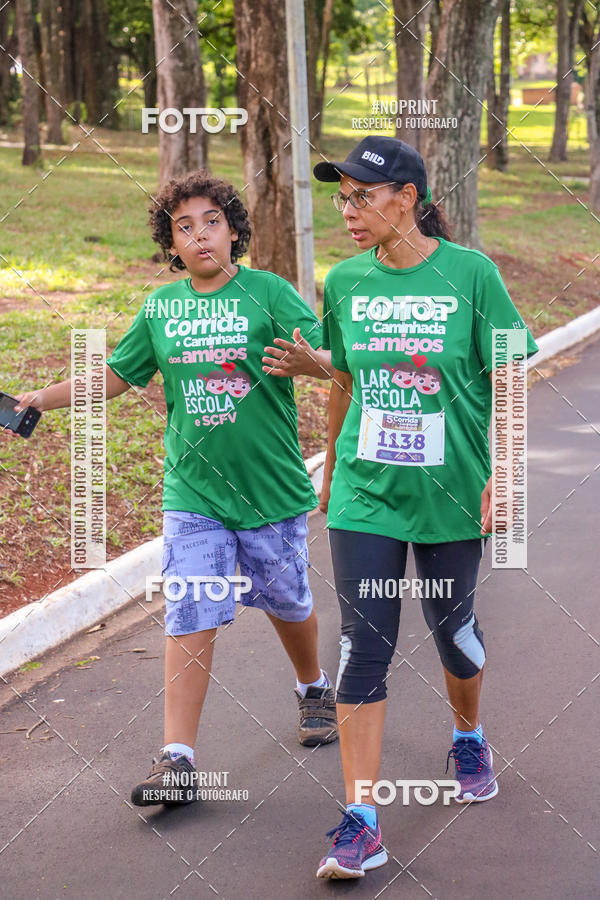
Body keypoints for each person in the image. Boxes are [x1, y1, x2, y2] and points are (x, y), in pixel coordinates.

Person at [13, 171, 337, 807]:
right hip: (193, 493)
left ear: (234, 229)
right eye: (183, 227)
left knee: (288, 600)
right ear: (171, 243)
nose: (199, 236)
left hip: (269, 489)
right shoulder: (161, 307)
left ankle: (313, 686)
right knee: (189, 607)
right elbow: (116, 375)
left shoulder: (269, 292)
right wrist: (42, 399)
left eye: (211, 221)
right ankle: (178, 760)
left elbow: (330, 356)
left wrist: (316, 364)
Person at [311, 136, 538, 879]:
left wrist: (506, 473)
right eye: (342, 198)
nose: (348, 211)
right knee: (361, 646)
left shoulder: (471, 275)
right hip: (364, 492)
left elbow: (510, 371)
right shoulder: (345, 281)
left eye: (362, 196)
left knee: (454, 634)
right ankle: (362, 821)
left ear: (407, 197)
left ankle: (468, 735)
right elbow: (344, 377)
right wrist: (330, 465)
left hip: (450, 490)